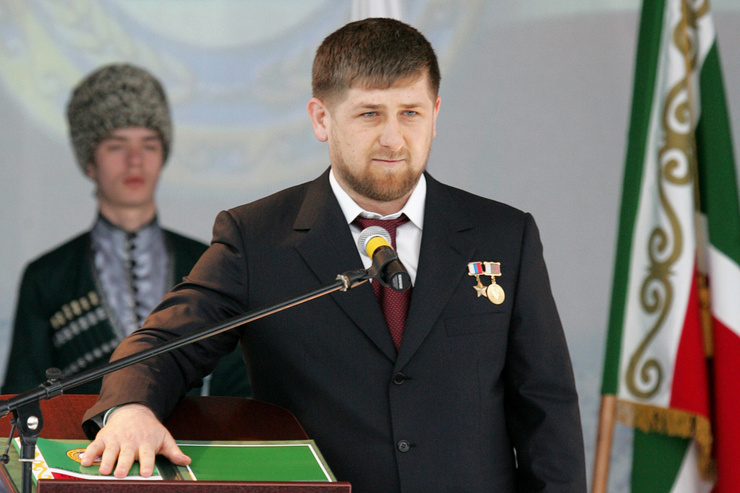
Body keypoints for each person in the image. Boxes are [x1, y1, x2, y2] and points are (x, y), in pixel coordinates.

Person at [81, 20, 586, 492]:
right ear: (322, 118)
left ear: (435, 116)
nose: (393, 138)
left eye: (410, 113)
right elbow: (163, 344)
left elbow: (546, 409)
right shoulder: (256, 238)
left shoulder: (504, 235)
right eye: (369, 114)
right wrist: (130, 409)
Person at [1, 63, 249, 398]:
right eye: (116, 145)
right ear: (90, 161)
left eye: (149, 144)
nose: (135, 160)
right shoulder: (47, 278)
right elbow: (22, 398)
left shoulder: (209, 262)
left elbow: (238, 389)